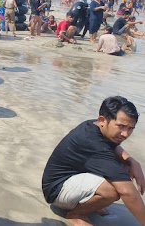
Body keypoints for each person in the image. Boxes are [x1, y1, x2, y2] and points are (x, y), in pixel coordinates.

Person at [42, 96, 145, 226]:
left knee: (122, 165)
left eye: (130, 128)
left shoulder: (94, 125)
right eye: (121, 126)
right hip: (56, 190)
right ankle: (76, 213)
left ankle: (90, 203)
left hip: (70, 177)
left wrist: (132, 161)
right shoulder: (93, 143)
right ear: (103, 120)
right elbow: (127, 192)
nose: (125, 134)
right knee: (113, 190)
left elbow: (114, 147)